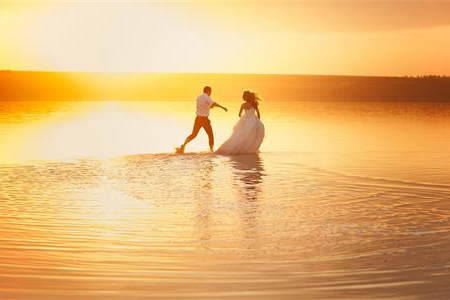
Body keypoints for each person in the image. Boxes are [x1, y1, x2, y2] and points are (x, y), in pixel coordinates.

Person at [176, 86, 227, 153]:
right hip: (204, 120)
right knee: (210, 135)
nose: (211, 93)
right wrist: (222, 107)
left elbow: (202, 106)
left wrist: (209, 107)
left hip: (198, 119)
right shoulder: (207, 97)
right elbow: (213, 103)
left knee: (193, 134)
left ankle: (183, 145)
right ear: (208, 91)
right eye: (210, 92)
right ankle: (212, 151)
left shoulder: (198, 97)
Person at [215, 91, 265, 155]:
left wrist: (244, 118)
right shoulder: (254, 104)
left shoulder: (243, 105)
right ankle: (249, 149)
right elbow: (258, 114)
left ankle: (237, 148)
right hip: (253, 121)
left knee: (241, 135)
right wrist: (257, 121)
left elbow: (239, 114)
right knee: (252, 136)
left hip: (246, 121)